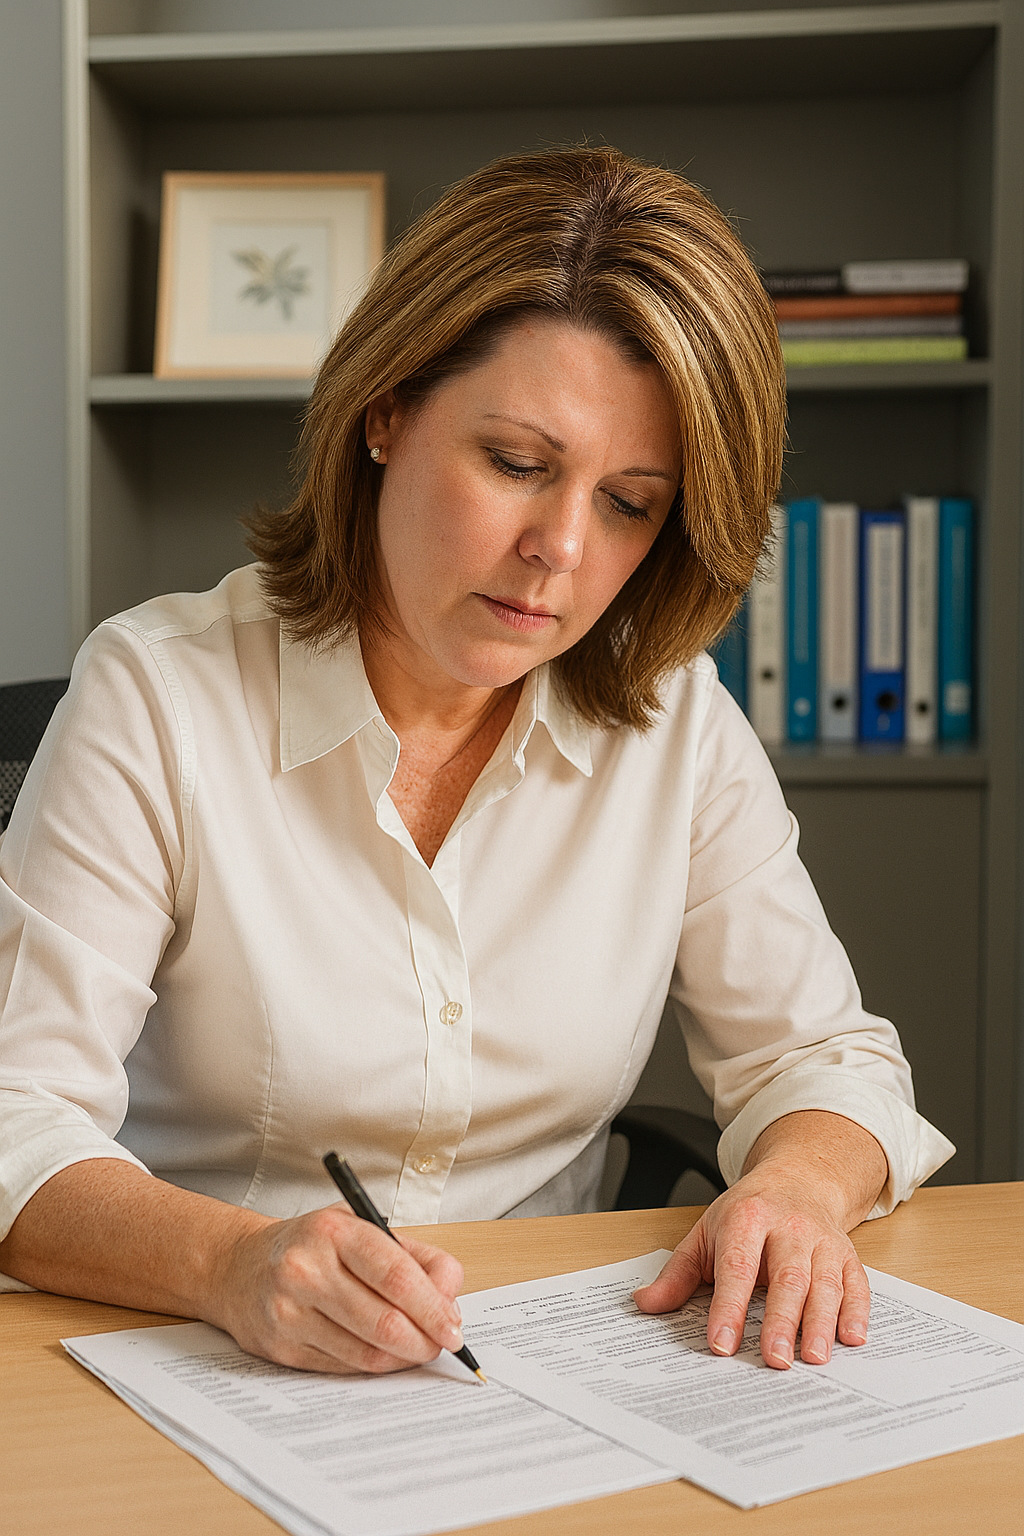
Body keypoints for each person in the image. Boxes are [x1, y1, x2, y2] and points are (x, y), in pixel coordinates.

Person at [0, 146, 952, 1378]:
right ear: (385, 410)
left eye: (630, 503)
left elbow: (824, 1058)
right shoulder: (159, 694)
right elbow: (17, 1116)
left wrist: (801, 1189)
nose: (558, 547)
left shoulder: (671, 722)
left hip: (547, 1375)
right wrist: (229, 1263)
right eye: (516, 463)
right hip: (201, 1359)